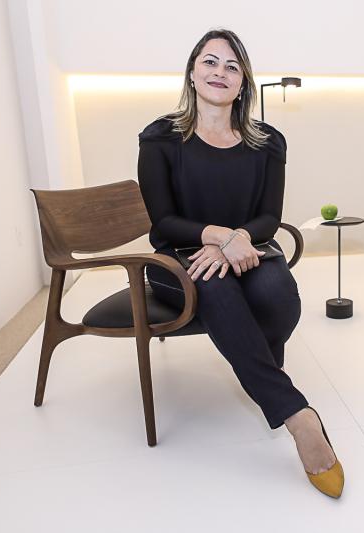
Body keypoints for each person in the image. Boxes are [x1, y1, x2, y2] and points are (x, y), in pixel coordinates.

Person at [136, 28, 344, 498]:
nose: (220, 72)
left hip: (250, 247)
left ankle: (260, 375)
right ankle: (298, 417)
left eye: (232, 66)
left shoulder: (268, 142)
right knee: (213, 283)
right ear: (192, 73)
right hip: (178, 258)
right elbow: (164, 220)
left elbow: (269, 216)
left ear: (243, 81)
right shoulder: (160, 138)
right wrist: (219, 237)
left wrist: (238, 240)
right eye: (210, 62)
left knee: (277, 292)